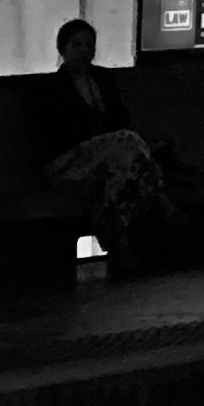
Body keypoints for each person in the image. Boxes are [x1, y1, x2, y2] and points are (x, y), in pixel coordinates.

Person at [44, 20, 184, 262]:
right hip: (70, 160)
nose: (84, 50)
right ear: (62, 49)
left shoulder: (103, 79)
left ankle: (120, 241)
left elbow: (121, 117)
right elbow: (56, 135)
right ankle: (161, 204)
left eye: (89, 45)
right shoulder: (51, 88)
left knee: (119, 171)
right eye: (76, 44)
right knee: (127, 143)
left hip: (109, 158)